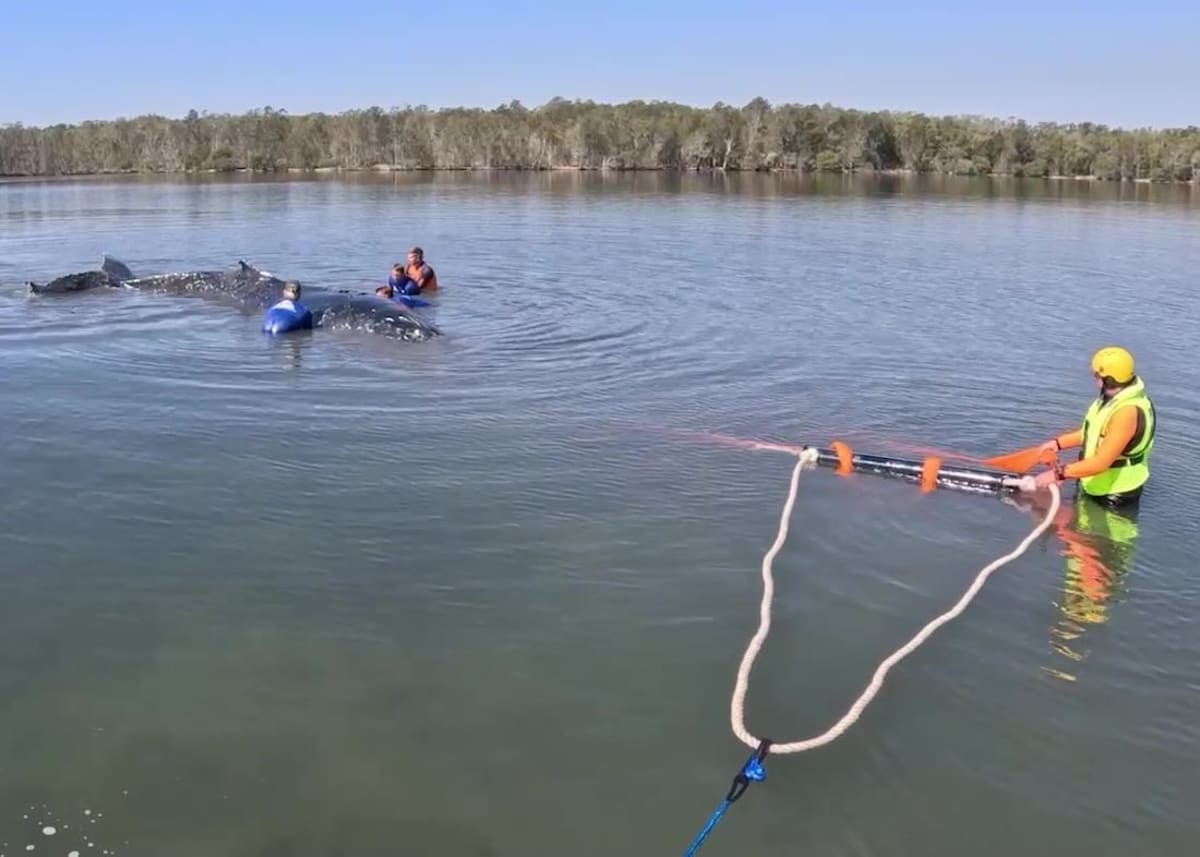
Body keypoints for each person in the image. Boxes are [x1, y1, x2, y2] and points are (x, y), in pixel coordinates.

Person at [1019, 346, 1156, 506]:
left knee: (1093, 530)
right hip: (1095, 483)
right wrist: (1058, 444)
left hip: (1114, 494)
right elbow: (1092, 432)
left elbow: (1101, 463)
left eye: (1097, 375)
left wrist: (1058, 474)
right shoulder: (1114, 399)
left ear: (1108, 380)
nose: (1094, 379)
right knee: (1077, 526)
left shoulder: (1126, 413)